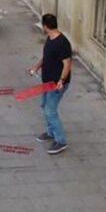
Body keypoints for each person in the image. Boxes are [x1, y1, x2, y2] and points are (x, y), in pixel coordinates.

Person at [28, 13, 72, 155]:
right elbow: (46, 57)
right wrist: (36, 67)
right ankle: (51, 132)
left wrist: (61, 81)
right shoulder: (50, 38)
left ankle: (61, 141)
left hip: (56, 84)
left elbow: (67, 64)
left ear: (45, 26)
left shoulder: (62, 43)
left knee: (50, 111)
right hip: (47, 81)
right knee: (44, 105)